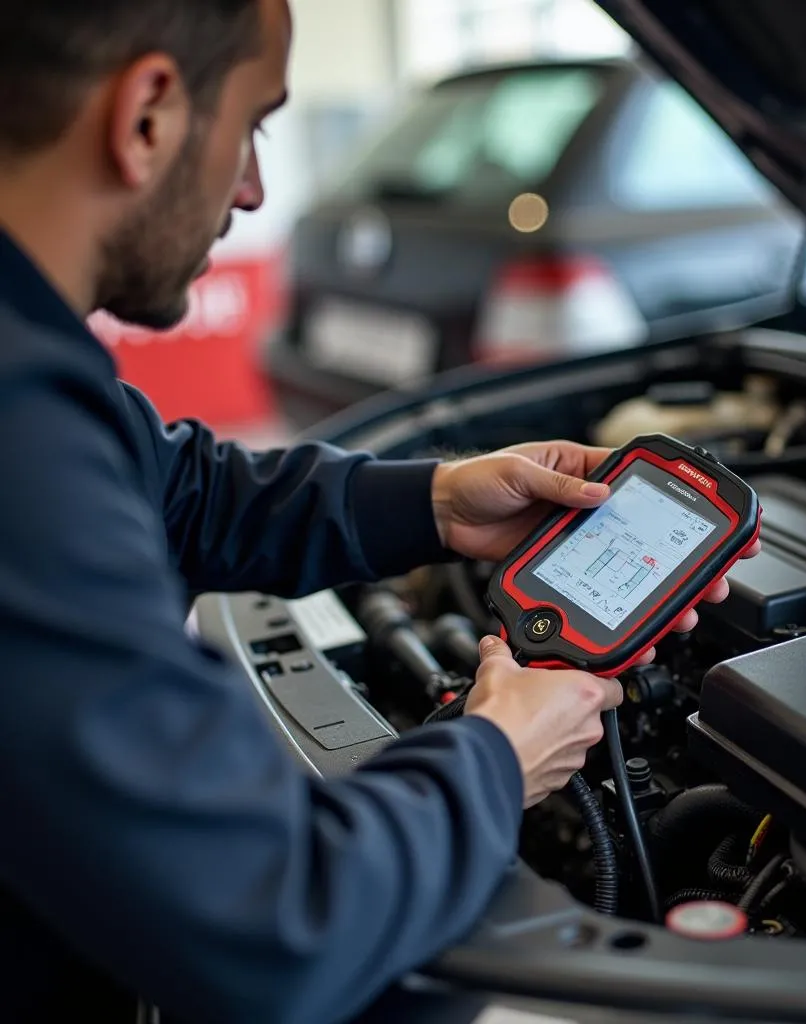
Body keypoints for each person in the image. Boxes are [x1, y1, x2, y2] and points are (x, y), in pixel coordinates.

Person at [0, 2, 754, 1021]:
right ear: (147, 115)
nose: (258, 185)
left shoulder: (36, 369)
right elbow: (276, 921)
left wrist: (437, 501)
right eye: (254, 123)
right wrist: (493, 758)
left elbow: (176, 486)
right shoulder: (21, 433)